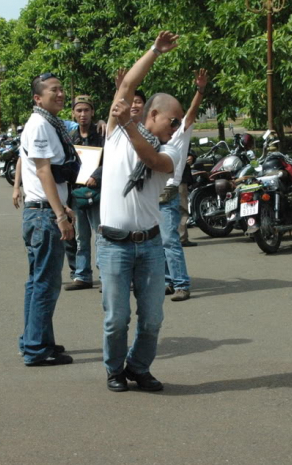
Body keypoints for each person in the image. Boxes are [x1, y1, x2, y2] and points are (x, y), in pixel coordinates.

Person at [98, 31, 183, 393]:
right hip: (114, 245)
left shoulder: (171, 149)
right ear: (154, 115)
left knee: (152, 319)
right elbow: (129, 83)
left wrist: (130, 122)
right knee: (116, 320)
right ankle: (114, 370)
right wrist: (154, 52)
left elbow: (152, 160)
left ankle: (138, 366)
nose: (176, 128)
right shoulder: (116, 133)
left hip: (150, 246)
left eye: (180, 123)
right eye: (172, 121)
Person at [16, 72, 77, 367]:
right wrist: (59, 214)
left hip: (41, 210)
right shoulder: (41, 124)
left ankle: (36, 339)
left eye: (62, 88)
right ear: (38, 98)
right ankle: (36, 348)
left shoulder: (47, 123)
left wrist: (63, 207)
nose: (61, 94)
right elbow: (43, 172)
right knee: (45, 284)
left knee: (37, 282)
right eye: (54, 90)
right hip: (43, 214)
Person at [158, 69, 209, 302]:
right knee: (159, 241)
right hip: (153, 194)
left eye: (174, 117)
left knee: (170, 240)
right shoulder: (152, 137)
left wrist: (199, 90)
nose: (171, 121)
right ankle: (168, 281)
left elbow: (191, 112)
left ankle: (181, 284)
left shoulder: (180, 134)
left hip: (170, 191)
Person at [65, 95, 105, 291]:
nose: (83, 114)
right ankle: (82, 275)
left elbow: (111, 159)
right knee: (81, 237)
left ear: (92, 112)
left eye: (86, 110)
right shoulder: (70, 137)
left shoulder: (102, 133)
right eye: (79, 111)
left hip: (97, 192)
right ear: (73, 113)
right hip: (77, 192)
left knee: (100, 235)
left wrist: (97, 175)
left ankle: (105, 275)